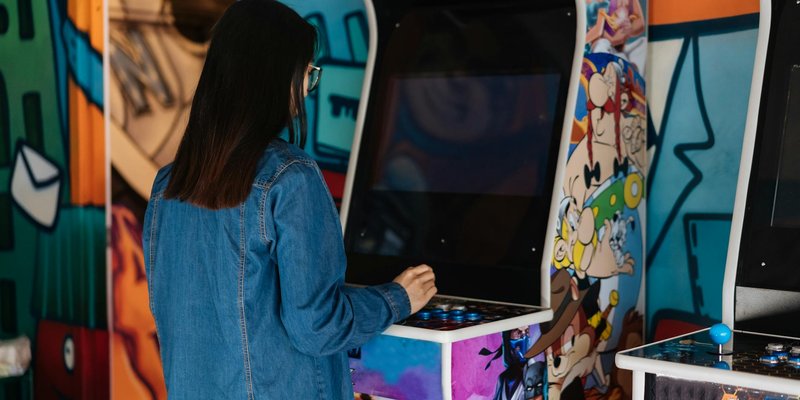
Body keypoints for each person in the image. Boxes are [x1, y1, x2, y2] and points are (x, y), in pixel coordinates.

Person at [142, 1, 437, 398]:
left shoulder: (168, 186)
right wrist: (397, 298)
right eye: (306, 73)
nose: (306, 88)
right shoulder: (288, 177)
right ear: (276, 75)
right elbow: (317, 326)